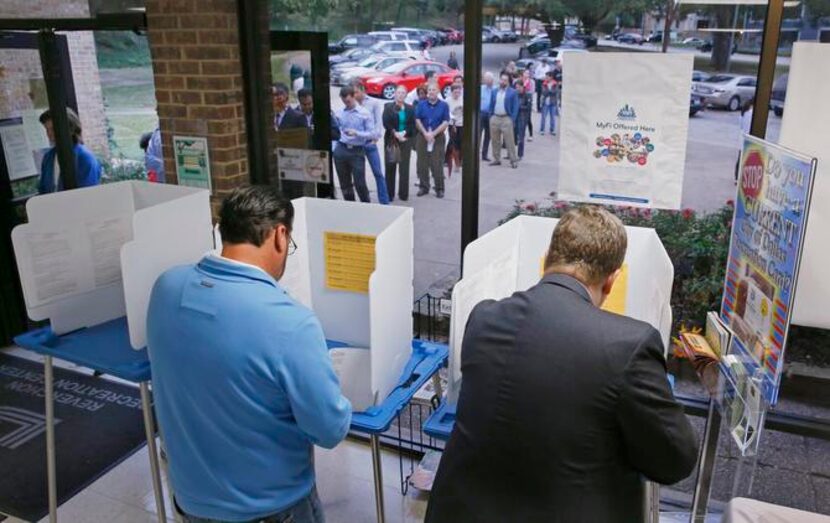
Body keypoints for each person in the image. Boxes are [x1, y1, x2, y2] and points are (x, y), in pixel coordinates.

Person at [425, 206, 698, 523]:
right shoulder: (629, 345)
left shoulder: (484, 318)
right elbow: (675, 460)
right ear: (611, 282)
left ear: (545, 260)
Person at [147, 186, 351, 523]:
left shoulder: (166, 288)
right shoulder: (291, 322)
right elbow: (329, 429)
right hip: (271, 509)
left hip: (192, 501)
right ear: (280, 236)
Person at [37, 108, 101, 194]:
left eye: (52, 129)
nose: (49, 134)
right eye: (47, 129)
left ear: (70, 129)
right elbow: (43, 190)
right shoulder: (48, 157)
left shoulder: (85, 158)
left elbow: (87, 197)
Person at [333, 85, 374, 202]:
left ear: (353, 96)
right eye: (344, 101)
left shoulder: (364, 113)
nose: (347, 104)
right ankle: (350, 204)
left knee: (359, 182)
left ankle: (366, 205)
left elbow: (372, 133)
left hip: (357, 150)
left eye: (349, 101)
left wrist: (357, 133)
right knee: (344, 183)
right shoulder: (339, 113)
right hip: (341, 148)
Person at [353, 81, 390, 204]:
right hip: (357, 144)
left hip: (370, 142)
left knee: (378, 172)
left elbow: (378, 123)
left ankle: (384, 201)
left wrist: (376, 138)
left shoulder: (373, 103)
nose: (354, 95)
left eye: (356, 92)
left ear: (362, 89)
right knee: (359, 175)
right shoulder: (352, 104)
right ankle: (365, 200)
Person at [414, 82, 450, 198]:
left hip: (437, 137)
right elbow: (417, 120)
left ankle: (439, 188)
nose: (431, 92)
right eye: (429, 90)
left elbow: (445, 122)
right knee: (422, 163)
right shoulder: (421, 104)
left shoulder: (444, 105)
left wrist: (433, 134)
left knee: (437, 164)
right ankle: (424, 187)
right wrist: (425, 133)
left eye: (434, 90)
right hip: (422, 136)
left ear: (438, 91)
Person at [382, 85, 416, 202]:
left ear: (406, 95)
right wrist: (395, 133)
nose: (401, 95)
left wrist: (404, 133)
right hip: (392, 140)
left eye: (403, 93)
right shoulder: (388, 107)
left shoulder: (410, 109)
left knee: (404, 168)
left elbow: (412, 125)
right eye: (399, 92)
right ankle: (389, 194)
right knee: (391, 167)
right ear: (395, 94)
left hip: (405, 140)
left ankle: (403, 194)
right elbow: (386, 123)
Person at [488, 73, 519, 168]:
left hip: (506, 118)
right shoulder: (494, 91)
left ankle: (513, 160)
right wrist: (491, 116)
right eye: (502, 80)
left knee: (509, 141)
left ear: (508, 82)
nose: (503, 82)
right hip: (495, 117)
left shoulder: (512, 92)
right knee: (495, 140)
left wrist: (512, 119)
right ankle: (496, 159)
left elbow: (515, 106)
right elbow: (491, 104)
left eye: (505, 80)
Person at [446, 83, 464, 176]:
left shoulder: (463, 99)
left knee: (462, 144)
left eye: (459, 92)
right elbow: (447, 113)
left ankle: (460, 161)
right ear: (452, 92)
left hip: (462, 124)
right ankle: (456, 164)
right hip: (452, 124)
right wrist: (452, 124)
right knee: (454, 144)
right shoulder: (448, 101)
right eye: (455, 92)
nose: (457, 94)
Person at [736, 99, 754, 181]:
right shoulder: (751, 114)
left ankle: (736, 177)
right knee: (748, 161)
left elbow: (741, 126)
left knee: (740, 159)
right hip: (748, 140)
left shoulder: (743, 113)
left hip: (742, 139)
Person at [514, 80, 532, 159]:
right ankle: (511, 153)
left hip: (522, 118)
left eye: (518, 87)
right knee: (513, 136)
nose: (517, 89)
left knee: (521, 137)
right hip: (515, 117)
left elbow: (528, 107)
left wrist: (518, 107)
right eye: (516, 87)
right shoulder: (515, 94)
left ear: (522, 87)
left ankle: (520, 154)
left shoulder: (527, 95)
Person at [480, 72, 495, 162]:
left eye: (487, 79)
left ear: (492, 80)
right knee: (478, 133)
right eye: (485, 79)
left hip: (490, 114)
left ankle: (484, 155)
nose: (486, 81)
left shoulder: (495, 89)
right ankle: (475, 153)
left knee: (488, 135)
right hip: (481, 113)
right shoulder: (481, 89)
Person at [539, 71, 559, 136]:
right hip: (545, 102)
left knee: (553, 117)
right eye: (546, 76)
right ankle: (542, 129)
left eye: (547, 76)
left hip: (553, 102)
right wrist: (550, 91)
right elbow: (543, 92)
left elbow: (555, 91)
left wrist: (548, 91)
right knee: (543, 117)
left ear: (551, 77)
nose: (546, 78)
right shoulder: (544, 84)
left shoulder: (555, 84)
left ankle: (552, 130)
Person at [521, 69, 534, 141]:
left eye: (528, 73)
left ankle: (530, 134)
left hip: (528, 101)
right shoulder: (520, 80)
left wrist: (524, 90)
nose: (526, 74)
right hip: (521, 100)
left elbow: (531, 92)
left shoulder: (531, 82)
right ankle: (521, 134)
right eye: (525, 73)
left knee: (528, 119)